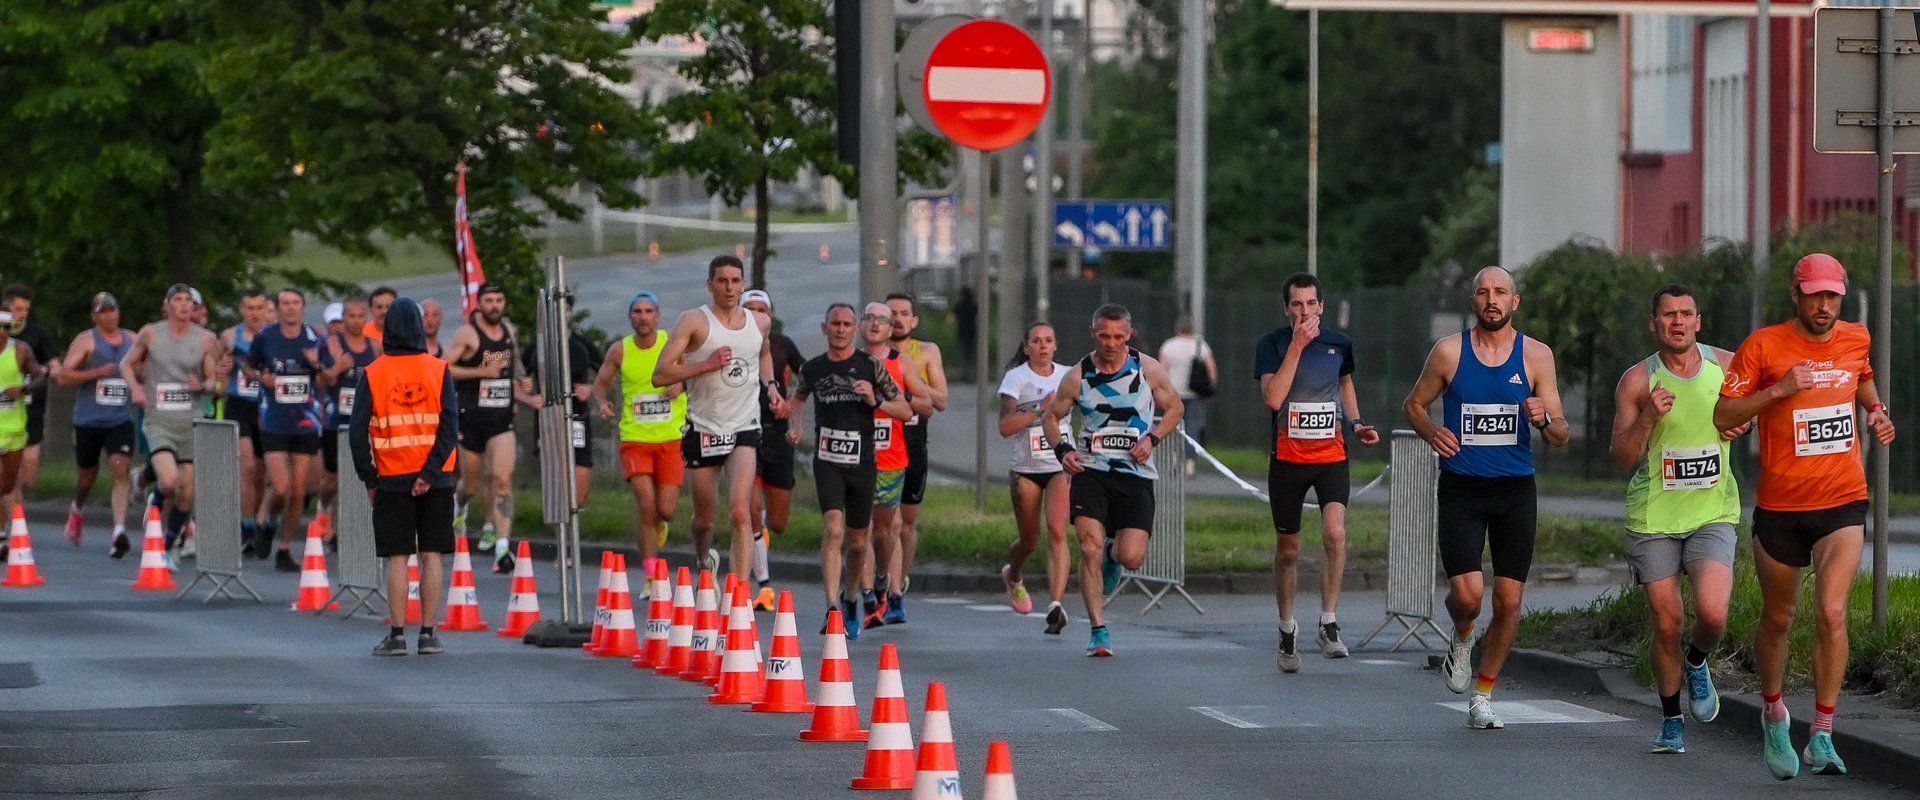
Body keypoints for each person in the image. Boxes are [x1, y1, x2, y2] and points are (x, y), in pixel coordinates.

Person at [1713, 253, 1894, 779]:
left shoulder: (1856, 337)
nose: (1823, 305)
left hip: (1843, 499)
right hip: (1781, 509)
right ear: (1795, 295)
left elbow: (1862, 380)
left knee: (1832, 613)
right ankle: (1773, 714)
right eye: (1814, 295)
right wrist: (1777, 391)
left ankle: (1822, 733)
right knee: (1778, 619)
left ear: (1841, 296)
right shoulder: (1763, 346)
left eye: (1832, 295)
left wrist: (1878, 412)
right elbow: (1724, 414)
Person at [1402, 266, 1570, 730]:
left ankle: (1484, 692)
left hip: (1515, 490)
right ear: (1473, 302)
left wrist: (1544, 419)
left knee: (1510, 602)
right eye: (1483, 292)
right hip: (1462, 487)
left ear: (1515, 302)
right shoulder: (1449, 352)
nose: (1492, 299)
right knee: (1468, 596)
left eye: (1500, 292)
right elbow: (1413, 404)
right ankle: (1461, 636)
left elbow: (1560, 433)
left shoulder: (1536, 356)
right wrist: (1433, 432)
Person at [1609, 284, 1749, 755]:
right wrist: (1647, 418)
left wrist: (1742, 421)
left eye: (1686, 314)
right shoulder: (1636, 381)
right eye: (1668, 315)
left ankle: (1696, 661)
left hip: (1712, 512)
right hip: (1654, 519)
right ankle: (1671, 720)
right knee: (1666, 623)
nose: (1678, 322)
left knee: (1712, 614)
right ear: (1654, 324)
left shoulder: (1727, 366)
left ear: (1698, 321)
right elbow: (1620, 457)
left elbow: (1754, 407)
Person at [1040, 304, 1184, 657]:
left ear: (1128, 335)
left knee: (1131, 557)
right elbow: (1051, 417)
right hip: (1091, 471)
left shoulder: (1147, 369)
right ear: (1094, 334)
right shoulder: (1077, 376)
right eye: (1104, 336)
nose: (1111, 343)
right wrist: (1063, 452)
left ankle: (1113, 554)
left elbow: (1176, 408)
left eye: (1119, 337)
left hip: (1136, 475)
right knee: (1087, 547)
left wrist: (1152, 438)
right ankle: (1098, 630)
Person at [1255, 273, 1379, 673]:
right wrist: (1297, 346)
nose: (1304, 311)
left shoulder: (1339, 344)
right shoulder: (1273, 344)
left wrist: (1357, 423)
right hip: (1288, 459)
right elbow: (1274, 397)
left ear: (1321, 306)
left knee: (1335, 534)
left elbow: (1344, 383)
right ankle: (1287, 627)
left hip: (1331, 454)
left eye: (1311, 304)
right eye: (1297, 304)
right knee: (1288, 550)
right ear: (1286, 308)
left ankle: (1328, 622)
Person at [652, 255, 786, 581]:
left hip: (744, 426)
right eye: (722, 281)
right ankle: (703, 560)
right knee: (704, 520)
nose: (729, 288)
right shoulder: (693, 321)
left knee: (741, 512)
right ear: (710, 284)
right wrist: (704, 365)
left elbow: (763, 352)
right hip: (703, 427)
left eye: (735, 281)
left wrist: (770, 386)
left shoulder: (760, 322)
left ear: (743, 284)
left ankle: (737, 596)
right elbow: (660, 375)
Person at [790, 302, 908, 638]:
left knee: (858, 543)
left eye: (846, 323)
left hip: (863, 464)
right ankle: (831, 607)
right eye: (834, 324)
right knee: (833, 529)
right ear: (825, 329)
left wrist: (876, 401)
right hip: (828, 461)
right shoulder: (812, 369)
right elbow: (797, 399)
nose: (841, 329)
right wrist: (795, 425)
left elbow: (903, 408)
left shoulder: (870, 366)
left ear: (854, 329)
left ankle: (851, 596)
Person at [350, 297, 457, 657]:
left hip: (391, 477)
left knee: (397, 558)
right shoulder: (439, 370)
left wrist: (369, 479)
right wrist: (430, 473)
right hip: (437, 477)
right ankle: (428, 634)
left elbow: (356, 433)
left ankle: (396, 635)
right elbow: (449, 426)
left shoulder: (373, 373)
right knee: (431, 555)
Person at [446, 281, 541, 572]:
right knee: (472, 485)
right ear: (479, 304)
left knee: (501, 479)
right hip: (472, 418)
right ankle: (459, 504)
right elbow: (442, 367)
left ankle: (502, 549)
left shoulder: (510, 332)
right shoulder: (468, 334)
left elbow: (513, 369)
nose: (495, 306)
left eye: (499, 300)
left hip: (501, 420)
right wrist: (480, 372)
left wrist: (522, 384)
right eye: (489, 300)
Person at [122, 284, 221, 558]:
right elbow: (126, 364)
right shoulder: (151, 333)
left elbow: (215, 381)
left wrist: (201, 385)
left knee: (187, 492)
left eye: (188, 300)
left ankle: (165, 547)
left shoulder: (206, 339)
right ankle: (147, 488)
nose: (184, 305)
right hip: (159, 419)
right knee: (168, 482)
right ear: (167, 305)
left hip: (190, 420)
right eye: (178, 300)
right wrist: (136, 389)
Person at [594, 291, 685, 569]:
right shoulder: (620, 349)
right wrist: (602, 402)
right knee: (646, 504)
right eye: (638, 312)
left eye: (648, 311)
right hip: (635, 438)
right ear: (630, 317)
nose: (643, 317)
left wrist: (679, 385)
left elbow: (692, 375)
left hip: (671, 437)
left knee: (665, 511)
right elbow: (600, 383)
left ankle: (660, 524)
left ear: (657, 315)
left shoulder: (673, 344)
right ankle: (650, 571)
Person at [997, 321, 1073, 634]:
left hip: (1058, 464)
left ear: (1055, 346)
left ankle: (1055, 605)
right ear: (1027, 347)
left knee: (1057, 531)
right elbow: (1005, 427)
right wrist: (1039, 411)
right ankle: (1013, 575)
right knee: (1030, 540)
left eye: (1048, 341)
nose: (1042, 346)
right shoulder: (1016, 378)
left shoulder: (1068, 375)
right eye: (1036, 341)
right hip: (1026, 468)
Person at [244, 287, 328, 571]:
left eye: (295, 303)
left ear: (303, 307)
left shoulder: (316, 337)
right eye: (284, 303)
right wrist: (260, 378)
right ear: (277, 308)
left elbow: (329, 378)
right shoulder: (266, 336)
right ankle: (266, 523)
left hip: (305, 421)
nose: (290, 308)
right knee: (280, 487)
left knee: (297, 491)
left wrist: (318, 365)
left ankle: (283, 547)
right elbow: (247, 368)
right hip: (274, 420)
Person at [862, 302, 933, 630]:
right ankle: (865, 598)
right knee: (858, 530)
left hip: (892, 455)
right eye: (869, 319)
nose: (875, 325)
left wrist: (892, 400)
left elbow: (926, 404)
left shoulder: (901, 363)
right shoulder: (850, 362)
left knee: (889, 527)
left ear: (892, 330)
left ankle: (892, 593)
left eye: (882, 321)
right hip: (857, 457)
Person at [882, 292, 947, 624]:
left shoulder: (926, 351)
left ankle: (899, 581)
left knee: (906, 524)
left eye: (904, 313)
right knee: (888, 523)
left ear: (914, 320)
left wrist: (911, 387)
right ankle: (890, 592)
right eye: (891, 313)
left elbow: (942, 399)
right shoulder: (875, 353)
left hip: (914, 442)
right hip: (882, 444)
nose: (897, 319)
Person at [59, 293, 136, 555]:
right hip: (89, 420)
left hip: (120, 419)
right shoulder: (86, 340)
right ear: (95, 316)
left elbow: (147, 368)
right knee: (86, 477)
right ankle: (77, 508)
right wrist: (95, 372)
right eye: (103, 312)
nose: (110, 316)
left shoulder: (133, 340)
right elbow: (63, 377)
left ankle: (119, 531)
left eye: (113, 310)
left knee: (120, 467)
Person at [744, 289, 803, 611]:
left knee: (777, 523)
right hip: (745, 432)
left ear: (771, 314)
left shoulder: (783, 345)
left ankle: (760, 530)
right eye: (749, 310)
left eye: (761, 310)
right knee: (749, 509)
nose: (756, 315)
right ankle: (764, 585)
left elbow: (806, 379)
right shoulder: (732, 343)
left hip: (777, 434)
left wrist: (793, 409)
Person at [523, 298, 601, 511]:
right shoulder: (537, 346)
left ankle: (571, 535)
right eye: (555, 310)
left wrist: (591, 388)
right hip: (548, 421)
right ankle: (560, 541)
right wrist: (529, 397)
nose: (560, 314)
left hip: (578, 420)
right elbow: (516, 378)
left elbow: (607, 371)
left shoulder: (581, 345)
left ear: (571, 313)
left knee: (578, 494)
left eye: (564, 310)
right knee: (557, 495)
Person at [319, 296, 381, 540]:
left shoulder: (375, 346)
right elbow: (323, 381)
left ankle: (342, 531)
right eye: (351, 316)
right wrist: (337, 368)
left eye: (360, 316)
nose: (356, 321)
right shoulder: (332, 344)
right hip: (336, 420)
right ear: (343, 318)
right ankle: (324, 507)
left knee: (357, 479)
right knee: (333, 481)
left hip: (363, 422)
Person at [221, 288, 274, 556]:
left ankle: (259, 521)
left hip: (266, 407)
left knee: (263, 473)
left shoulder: (275, 336)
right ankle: (246, 526)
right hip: (238, 405)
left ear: (267, 309)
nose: (255, 313)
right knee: (248, 465)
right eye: (249, 308)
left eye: (259, 308)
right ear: (242, 310)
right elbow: (219, 374)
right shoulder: (230, 337)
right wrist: (222, 371)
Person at [1, 286, 59, 517]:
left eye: (26, 309)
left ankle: (13, 514)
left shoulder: (35, 335)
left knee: (28, 475)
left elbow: (54, 365)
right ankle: (14, 528)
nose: (22, 313)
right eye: (17, 309)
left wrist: (52, 371)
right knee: (9, 482)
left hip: (30, 409)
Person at [1158, 316, 1217, 478]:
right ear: (1192, 328)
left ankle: (1175, 459)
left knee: (1172, 427)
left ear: (1177, 328)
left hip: (1172, 393)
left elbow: (1161, 370)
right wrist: (1210, 386)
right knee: (1193, 427)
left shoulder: (1169, 346)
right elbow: (1211, 369)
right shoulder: (1200, 345)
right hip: (1194, 394)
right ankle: (1190, 465)